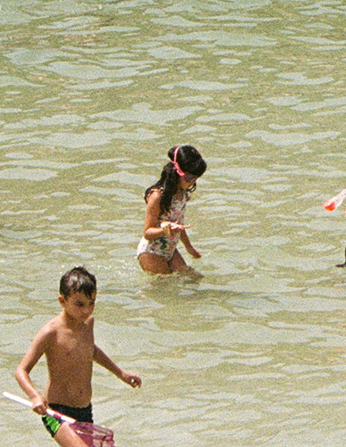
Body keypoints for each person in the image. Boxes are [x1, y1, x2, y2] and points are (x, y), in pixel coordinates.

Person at [15, 267, 142, 447]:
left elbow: (91, 350)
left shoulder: (87, 324)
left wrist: (120, 373)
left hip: (84, 410)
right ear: (62, 301)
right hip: (56, 411)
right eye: (80, 304)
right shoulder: (51, 332)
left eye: (92, 303)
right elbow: (21, 370)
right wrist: (34, 396)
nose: (87, 310)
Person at [138, 146, 206, 276]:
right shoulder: (157, 196)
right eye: (189, 178)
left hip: (170, 249)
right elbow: (147, 232)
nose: (191, 183)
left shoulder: (183, 194)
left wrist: (189, 247)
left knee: (194, 278)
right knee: (165, 286)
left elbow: (179, 225)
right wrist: (166, 230)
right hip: (151, 251)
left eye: (195, 179)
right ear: (177, 172)